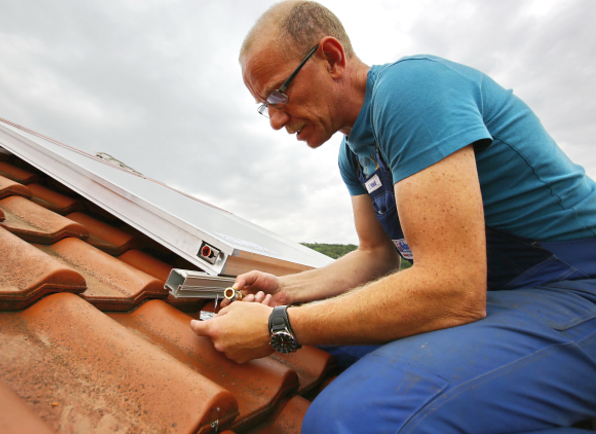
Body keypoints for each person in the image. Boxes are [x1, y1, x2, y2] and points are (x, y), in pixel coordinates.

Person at [191, 1, 596, 432]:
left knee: (351, 419)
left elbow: (453, 287)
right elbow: (374, 256)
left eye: (278, 93)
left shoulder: (411, 91)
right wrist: (288, 291)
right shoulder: (353, 154)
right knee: (327, 350)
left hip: (576, 287)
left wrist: (277, 326)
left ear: (332, 58)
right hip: (501, 296)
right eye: (263, 105)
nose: (273, 119)